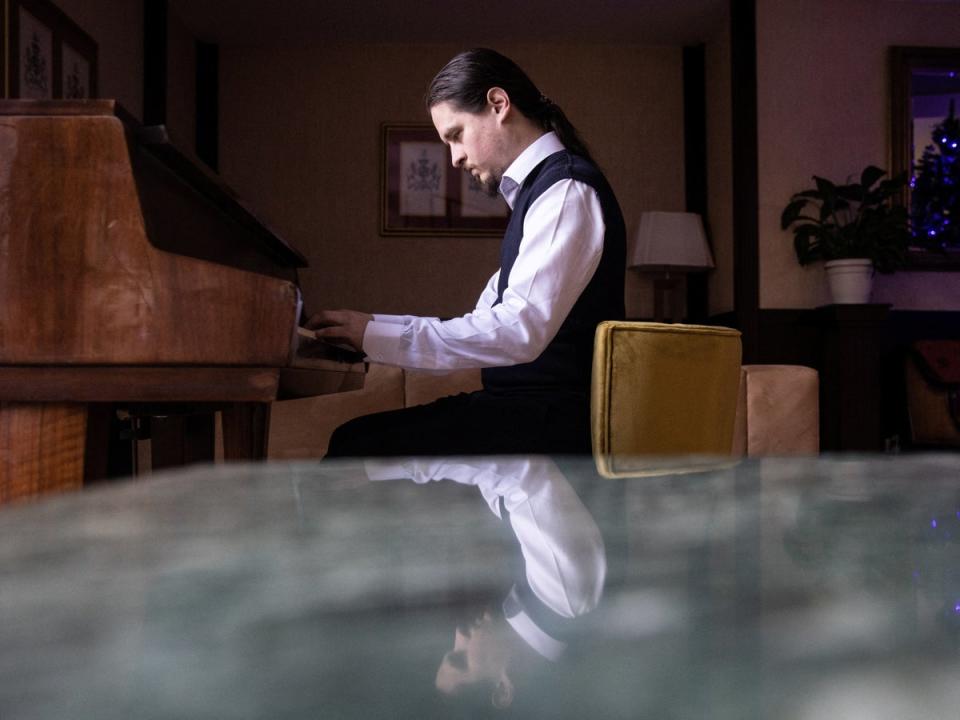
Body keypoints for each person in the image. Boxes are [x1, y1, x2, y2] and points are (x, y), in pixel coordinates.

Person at [307, 48, 625, 457]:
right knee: (355, 441)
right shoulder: (541, 193)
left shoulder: (565, 190)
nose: (454, 158)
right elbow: (482, 322)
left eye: (456, 135)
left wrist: (372, 334)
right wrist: (370, 325)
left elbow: (519, 330)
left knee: (356, 446)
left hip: (550, 421)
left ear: (498, 104)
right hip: (524, 413)